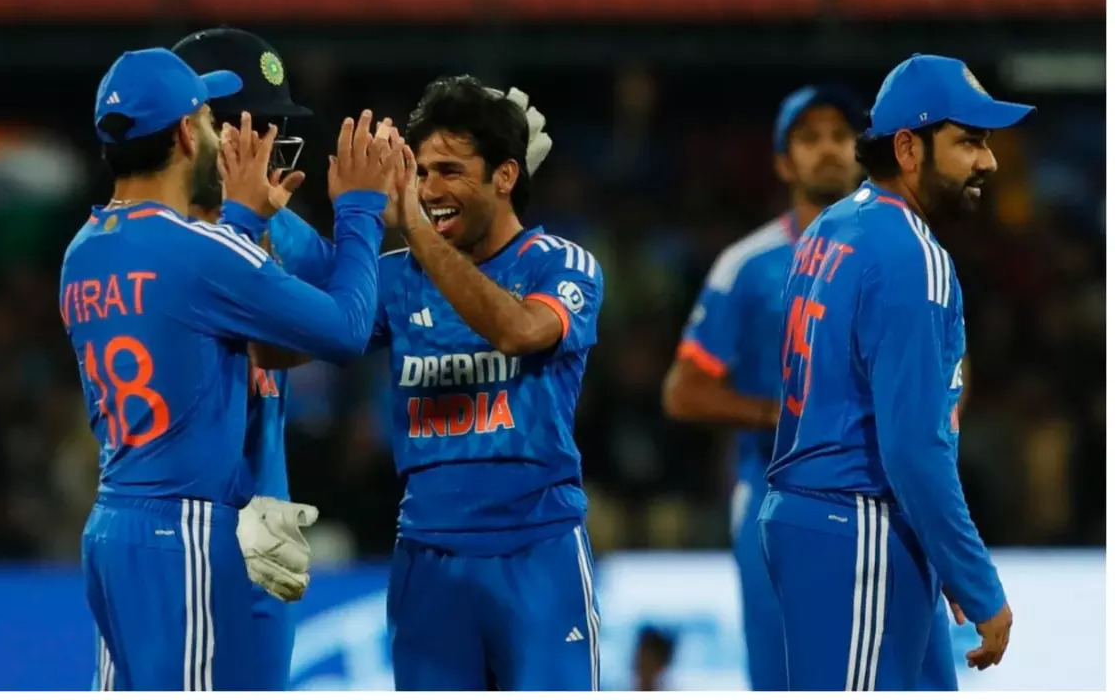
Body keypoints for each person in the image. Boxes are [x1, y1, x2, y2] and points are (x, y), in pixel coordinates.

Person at [62, 46, 395, 690]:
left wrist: (247, 219)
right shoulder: (206, 246)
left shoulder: (85, 248)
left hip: (146, 515)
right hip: (191, 522)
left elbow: (215, 319)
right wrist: (362, 209)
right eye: (217, 119)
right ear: (190, 132)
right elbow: (347, 325)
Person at [661, 86, 961, 690]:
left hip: (893, 497)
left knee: (911, 676)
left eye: (842, 136)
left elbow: (951, 374)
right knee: (787, 679)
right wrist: (792, 414)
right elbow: (683, 392)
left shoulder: (904, 251)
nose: (828, 149)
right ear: (783, 161)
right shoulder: (747, 264)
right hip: (780, 501)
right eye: (809, 137)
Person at [761, 53, 1031, 690]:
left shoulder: (832, 226)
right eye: (968, 141)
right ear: (908, 148)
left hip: (836, 525)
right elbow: (913, 446)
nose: (988, 161)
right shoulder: (911, 255)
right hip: (859, 531)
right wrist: (976, 579)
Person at [380, 76, 602, 691]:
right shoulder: (396, 278)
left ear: (505, 176)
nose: (428, 191)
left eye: (449, 171)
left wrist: (418, 235)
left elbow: (521, 331)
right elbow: (294, 339)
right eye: (420, 174)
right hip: (426, 559)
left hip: (538, 551)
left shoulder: (559, 263)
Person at [172, 26, 325, 691]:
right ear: (195, 128)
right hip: (170, 520)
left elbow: (364, 312)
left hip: (267, 513)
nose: (266, 148)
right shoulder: (148, 233)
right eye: (249, 128)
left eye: (272, 129)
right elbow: (301, 340)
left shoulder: (284, 226)